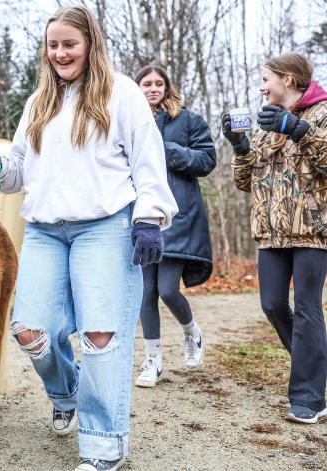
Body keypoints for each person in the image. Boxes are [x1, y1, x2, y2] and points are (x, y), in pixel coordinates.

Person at [0, 5, 177, 470]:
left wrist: (149, 217)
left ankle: (104, 447)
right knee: (29, 330)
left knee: (101, 336)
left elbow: (148, 160)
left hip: (105, 226)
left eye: (70, 44)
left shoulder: (121, 93)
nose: (60, 53)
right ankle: (68, 393)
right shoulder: (39, 100)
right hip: (45, 229)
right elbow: (20, 168)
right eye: (53, 45)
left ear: (90, 45)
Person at [223, 52, 327, 424]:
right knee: (271, 304)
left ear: (287, 78)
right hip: (271, 232)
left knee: (307, 307)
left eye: (266, 79)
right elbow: (246, 183)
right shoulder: (267, 123)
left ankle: (309, 398)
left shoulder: (321, 113)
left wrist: (298, 130)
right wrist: (240, 148)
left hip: (311, 230)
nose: (262, 88)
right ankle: (314, 365)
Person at [133, 66, 216, 388]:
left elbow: (207, 161)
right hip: (140, 216)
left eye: (158, 83)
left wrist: (167, 150)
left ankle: (191, 331)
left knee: (168, 289)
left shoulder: (189, 120)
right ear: (137, 88)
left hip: (179, 217)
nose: (152, 88)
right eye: (146, 84)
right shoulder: (131, 121)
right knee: (146, 292)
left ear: (167, 87)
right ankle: (152, 360)